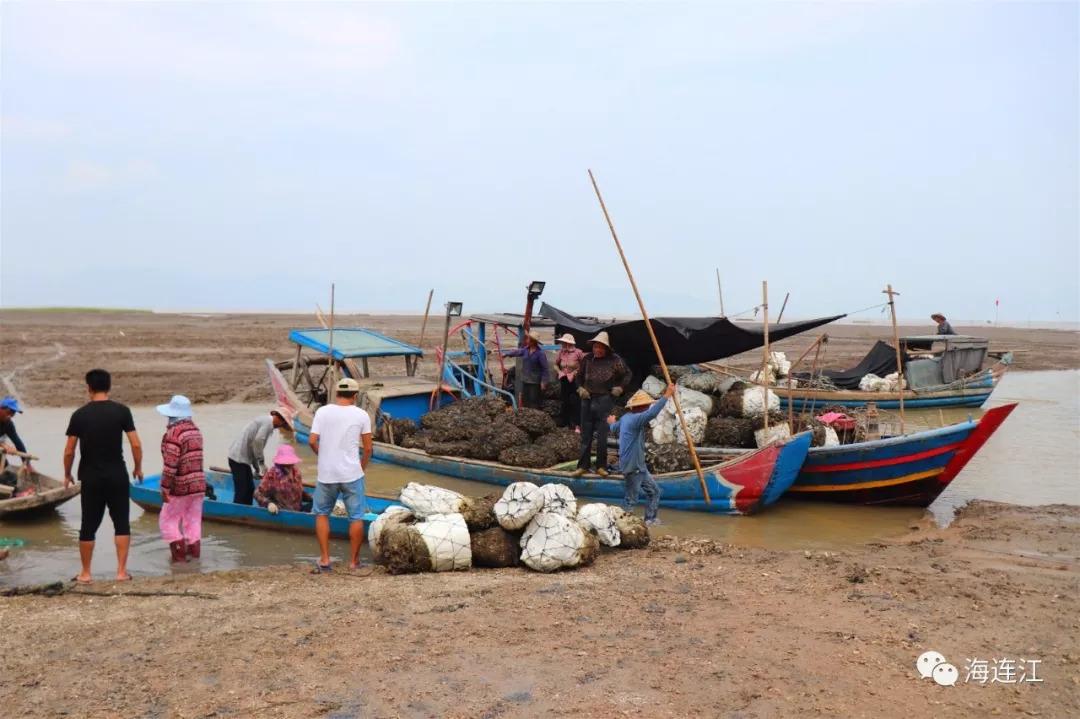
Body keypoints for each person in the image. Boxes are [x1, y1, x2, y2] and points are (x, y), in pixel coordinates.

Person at [63, 369, 143, 583]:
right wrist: (138, 468)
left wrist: (67, 473)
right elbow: (135, 443)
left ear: (88, 388)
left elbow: (70, 450)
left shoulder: (79, 415)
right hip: (117, 474)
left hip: (90, 477)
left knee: (88, 524)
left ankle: (86, 573)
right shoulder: (122, 411)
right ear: (109, 387)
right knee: (122, 523)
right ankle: (121, 572)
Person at [309, 377, 373, 571]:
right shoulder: (362, 415)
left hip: (327, 474)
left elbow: (312, 440)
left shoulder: (322, 412)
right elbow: (368, 449)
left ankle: (325, 560)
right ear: (355, 396)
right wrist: (361, 468)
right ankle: (354, 562)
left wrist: (323, 456)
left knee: (321, 514)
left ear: (336, 394)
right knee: (356, 517)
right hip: (352, 474)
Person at [607, 384, 675, 526]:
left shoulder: (626, 418)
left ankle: (650, 521)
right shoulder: (636, 419)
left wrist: (612, 422)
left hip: (639, 465)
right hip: (633, 466)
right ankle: (618, 525)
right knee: (630, 499)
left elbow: (614, 427)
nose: (648, 408)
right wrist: (667, 395)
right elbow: (652, 414)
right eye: (646, 406)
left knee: (654, 492)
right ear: (639, 407)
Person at [572, 331, 632, 478]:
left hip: (605, 400)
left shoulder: (614, 360)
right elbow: (578, 377)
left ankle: (601, 466)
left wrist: (620, 388)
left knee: (602, 436)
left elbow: (628, 374)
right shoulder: (587, 359)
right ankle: (583, 466)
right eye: (595, 346)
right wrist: (580, 388)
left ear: (606, 348)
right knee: (585, 436)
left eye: (600, 347)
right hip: (587, 399)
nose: (597, 349)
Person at [156, 395, 206, 563]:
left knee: (167, 522)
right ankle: (194, 559)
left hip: (180, 487)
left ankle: (180, 561)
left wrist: (164, 488)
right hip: (198, 485)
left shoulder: (173, 434)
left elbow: (170, 465)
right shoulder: (195, 431)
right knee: (192, 523)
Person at [227, 406, 295, 505]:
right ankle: (238, 513)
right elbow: (258, 442)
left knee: (250, 489)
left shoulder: (265, 422)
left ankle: (247, 511)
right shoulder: (267, 423)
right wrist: (261, 463)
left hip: (243, 460)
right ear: (281, 422)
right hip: (237, 459)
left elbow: (254, 447)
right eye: (282, 425)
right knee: (241, 491)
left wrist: (257, 468)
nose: (279, 428)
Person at [502, 329, 549, 409]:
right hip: (526, 379)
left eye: (529, 339)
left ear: (533, 341)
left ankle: (535, 417)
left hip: (535, 381)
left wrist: (543, 382)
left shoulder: (541, 354)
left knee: (534, 400)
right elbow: (518, 352)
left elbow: (545, 369)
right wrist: (507, 354)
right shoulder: (526, 350)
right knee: (526, 399)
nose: (527, 340)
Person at [254, 445, 308, 513]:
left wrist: (313, 499)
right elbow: (257, 493)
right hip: (281, 512)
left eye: (291, 463)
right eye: (286, 463)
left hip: (297, 510)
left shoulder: (296, 473)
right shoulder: (272, 475)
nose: (289, 465)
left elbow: (300, 493)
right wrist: (269, 504)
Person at [553, 334, 585, 430]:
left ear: (569, 343)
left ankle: (576, 423)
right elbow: (555, 364)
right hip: (564, 379)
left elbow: (584, 365)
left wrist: (576, 372)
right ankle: (565, 421)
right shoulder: (560, 353)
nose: (562, 344)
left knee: (576, 402)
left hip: (576, 380)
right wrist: (559, 372)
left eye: (564, 343)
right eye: (562, 343)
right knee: (565, 400)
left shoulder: (578, 352)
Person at [0, 397, 32, 474]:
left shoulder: (8, 424)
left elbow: (18, 442)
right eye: (8, 412)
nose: (9, 416)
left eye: (13, 414)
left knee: (6, 468)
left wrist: (27, 463)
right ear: (1, 409)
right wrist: (2, 445)